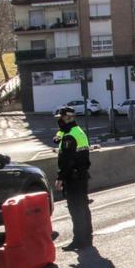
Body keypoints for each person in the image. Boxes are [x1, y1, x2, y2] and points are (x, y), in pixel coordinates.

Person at [53, 106, 92, 251]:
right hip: (82, 175)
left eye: (61, 118)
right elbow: (61, 133)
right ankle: (87, 238)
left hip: (73, 178)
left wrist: (60, 178)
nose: (59, 122)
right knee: (83, 208)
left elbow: (67, 160)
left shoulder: (70, 136)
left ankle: (79, 240)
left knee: (76, 210)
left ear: (68, 118)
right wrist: (58, 136)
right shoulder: (78, 132)